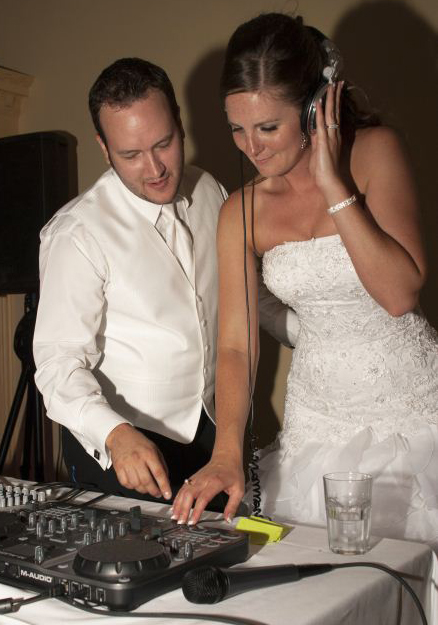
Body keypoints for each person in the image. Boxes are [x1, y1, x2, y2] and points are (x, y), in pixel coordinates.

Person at [172, 13, 438, 551]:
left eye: (268, 126)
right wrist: (226, 451)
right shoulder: (239, 212)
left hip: (412, 413)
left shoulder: (375, 153)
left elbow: (399, 294)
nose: (252, 147)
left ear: (316, 107)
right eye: (237, 128)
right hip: (315, 421)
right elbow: (235, 344)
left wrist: (332, 184)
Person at [33, 57, 294, 509]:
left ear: (180, 123)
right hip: (123, 451)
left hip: (212, 439)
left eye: (164, 143)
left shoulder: (211, 192)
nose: (154, 168)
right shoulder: (77, 233)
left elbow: (247, 300)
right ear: (103, 146)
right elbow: (57, 364)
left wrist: (318, 333)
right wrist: (114, 434)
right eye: (130, 155)